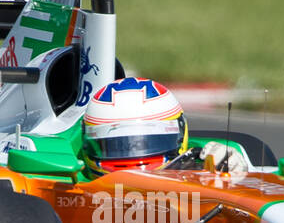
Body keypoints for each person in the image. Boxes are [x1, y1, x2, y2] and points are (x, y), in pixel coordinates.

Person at [81, 76, 248, 177]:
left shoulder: (203, 174)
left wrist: (235, 178)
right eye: (117, 146)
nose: (134, 155)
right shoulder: (68, 187)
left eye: (146, 143)